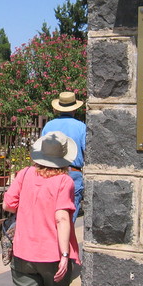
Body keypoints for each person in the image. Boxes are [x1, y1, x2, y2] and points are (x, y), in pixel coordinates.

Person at [3, 131, 81, 286]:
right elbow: (62, 219)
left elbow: (8, 204)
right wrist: (65, 254)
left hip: (23, 253)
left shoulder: (25, 174)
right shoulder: (64, 181)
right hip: (53, 257)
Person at [42, 91, 86, 221]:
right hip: (72, 172)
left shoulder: (49, 126)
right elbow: (87, 150)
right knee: (68, 219)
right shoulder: (81, 127)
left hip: (50, 172)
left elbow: (42, 149)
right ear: (75, 109)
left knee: (50, 217)